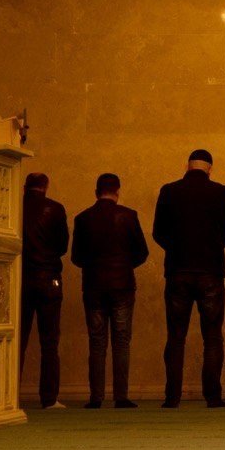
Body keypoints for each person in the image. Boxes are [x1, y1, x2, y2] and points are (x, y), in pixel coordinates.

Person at [152, 149, 225, 408]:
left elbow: (158, 232)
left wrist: (176, 249)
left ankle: (172, 397)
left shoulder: (169, 190)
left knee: (176, 336)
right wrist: (211, 247)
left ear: (187, 166)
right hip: (210, 270)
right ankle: (213, 396)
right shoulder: (221, 192)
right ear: (210, 168)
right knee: (212, 336)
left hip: (178, 269)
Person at [70, 173, 149, 409]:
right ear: (117, 191)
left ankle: (96, 397)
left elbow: (76, 257)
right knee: (121, 341)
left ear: (96, 192)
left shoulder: (83, 218)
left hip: (94, 285)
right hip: (122, 285)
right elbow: (142, 253)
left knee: (97, 341)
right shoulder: (128, 216)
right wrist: (124, 265)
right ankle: (121, 396)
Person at [20, 172, 69, 410]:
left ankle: (8, 394)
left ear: (24, 187)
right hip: (49, 278)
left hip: (19, 279)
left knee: (17, 340)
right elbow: (62, 246)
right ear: (46, 187)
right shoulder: (55, 209)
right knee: (49, 342)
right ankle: (49, 398)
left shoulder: (12, 206)